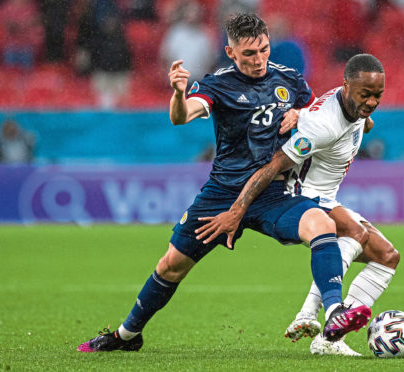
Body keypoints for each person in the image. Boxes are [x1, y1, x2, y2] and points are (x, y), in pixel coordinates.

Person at [77, 13, 370, 353]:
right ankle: (127, 335)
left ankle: (335, 311)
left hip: (273, 194)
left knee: (322, 224)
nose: (259, 59)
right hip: (223, 194)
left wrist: (303, 114)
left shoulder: (290, 80)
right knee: (171, 265)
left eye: (263, 50)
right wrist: (177, 93)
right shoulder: (217, 83)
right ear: (231, 53)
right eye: (249, 54)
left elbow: (326, 114)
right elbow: (182, 116)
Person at [196, 54, 400, 356]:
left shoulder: (351, 105)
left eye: (377, 95)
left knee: (387, 256)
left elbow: (354, 118)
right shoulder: (322, 125)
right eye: (365, 95)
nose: (371, 101)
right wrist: (239, 208)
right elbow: (276, 164)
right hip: (302, 194)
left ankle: (328, 341)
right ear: (346, 87)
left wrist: (364, 118)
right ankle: (312, 317)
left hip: (327, 195)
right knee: (355, 233)